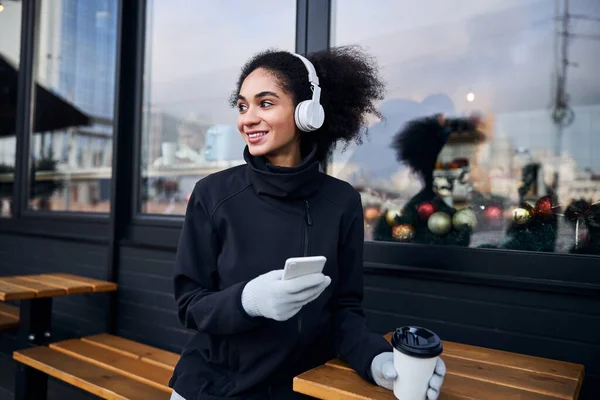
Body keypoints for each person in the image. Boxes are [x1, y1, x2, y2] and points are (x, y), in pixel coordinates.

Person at [169, 46, 446, 400]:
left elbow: (344, 311)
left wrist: (377, 361)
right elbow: (189, 305)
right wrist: (248, 301)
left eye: (265, 103)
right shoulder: (213, 194)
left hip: (306, 386)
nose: (247, 118)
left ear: (307, 112)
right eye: (242, 106)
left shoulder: (342, 202)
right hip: (217, 385)